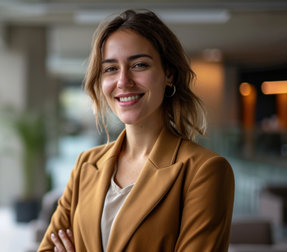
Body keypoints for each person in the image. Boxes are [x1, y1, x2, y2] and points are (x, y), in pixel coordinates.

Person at [38, 9, 234, 252]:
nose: (123, 81)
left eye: (139, 65)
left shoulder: (205, 171)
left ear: (168, 74)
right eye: (110, 69)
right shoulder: (86, 165)